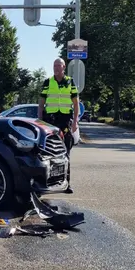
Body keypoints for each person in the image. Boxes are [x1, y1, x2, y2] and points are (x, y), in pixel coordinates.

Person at [38, 58, 79, 194]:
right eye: (54, 65)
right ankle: (48, 182)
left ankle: (66, 183)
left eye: (58, 66)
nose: (56, 68)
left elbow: (76, 102)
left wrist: (75, 122)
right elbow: (41, 101)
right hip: (50, 121)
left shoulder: (70, 82)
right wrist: (39, 119)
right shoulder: (48, 82)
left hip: (65, 120)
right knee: (48, 152)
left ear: (63, 67)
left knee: (65, 152)